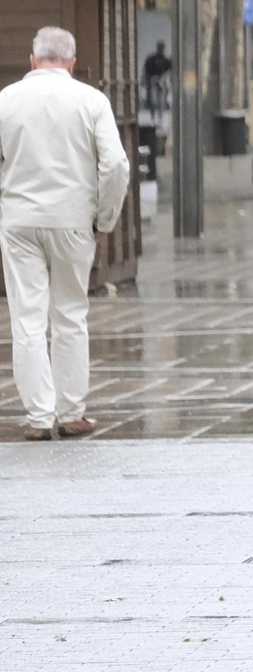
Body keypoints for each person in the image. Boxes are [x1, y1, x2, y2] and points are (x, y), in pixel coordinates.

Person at [0, 27, 130, 441]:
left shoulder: (5, 100)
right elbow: (116, 166)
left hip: (19, 221)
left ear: (33, 60)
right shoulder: (91, 101)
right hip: (74, 219)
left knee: (28, 320)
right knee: (70, 315)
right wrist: (103, 217)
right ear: (71, 63)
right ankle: (71, 413)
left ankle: (38, 417)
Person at [141, 40, 171, 121]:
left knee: (160, 100)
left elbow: (168, 71)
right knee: (154, 100)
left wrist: (163, 78)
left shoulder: (164, 60)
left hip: (160, 80)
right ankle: (154, 116)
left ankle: (158, 116)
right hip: (153, 80)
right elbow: (146, 70)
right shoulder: (153, 59)